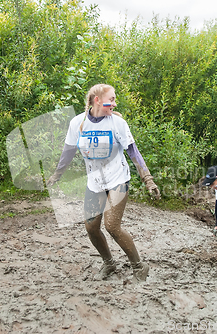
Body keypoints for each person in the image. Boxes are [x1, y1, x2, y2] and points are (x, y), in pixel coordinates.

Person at [47, 83, 160, 282]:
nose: (115, 104)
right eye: (112, 100)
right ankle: (109, 263)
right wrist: (57, 175)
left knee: (112, 226)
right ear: (97, 100)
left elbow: (133, 152)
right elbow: (68, 152)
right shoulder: (78, 123)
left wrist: (148, 180)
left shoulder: (117, 123)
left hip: (118, 179)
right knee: (91, 227)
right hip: (95, 182)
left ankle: (139, 267)